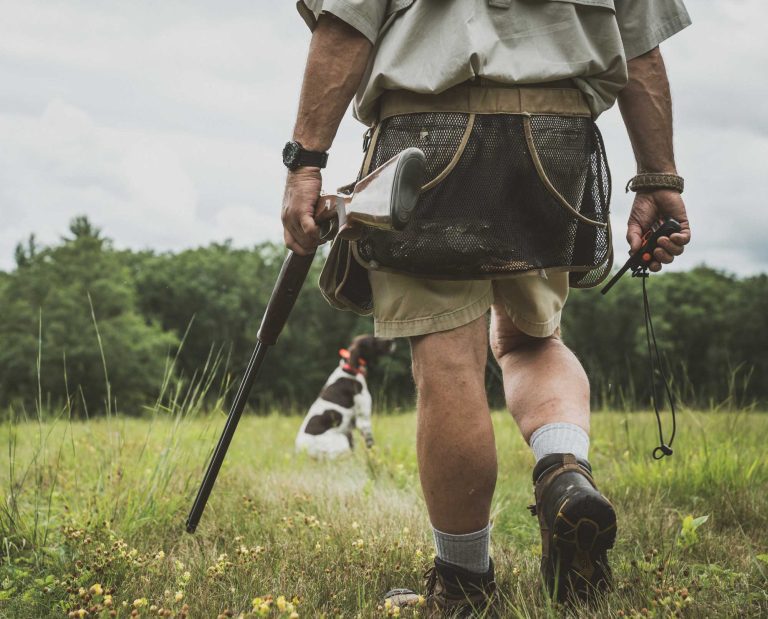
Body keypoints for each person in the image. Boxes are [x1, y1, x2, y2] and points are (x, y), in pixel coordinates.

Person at [280, 0, 692, 613]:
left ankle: (465, 585)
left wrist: (305, 163)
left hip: (429, 133)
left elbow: (346, 25)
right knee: (532, 340)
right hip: (558, 139)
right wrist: (660, 178)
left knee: (448, 360)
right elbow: (641, 47)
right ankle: (562, 471)